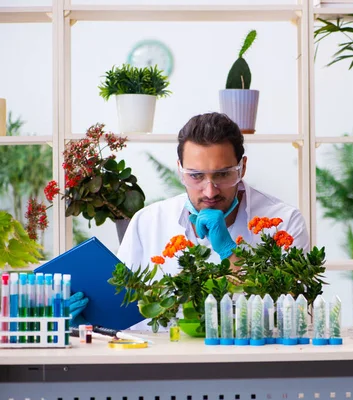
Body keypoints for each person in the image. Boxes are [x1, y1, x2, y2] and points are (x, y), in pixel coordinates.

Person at [68, 112, 310, 327]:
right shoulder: (147, 222)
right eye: (196, 176)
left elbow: (292, 316)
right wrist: (86, 323)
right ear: (180, 170)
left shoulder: (284, 222)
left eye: (223, 174)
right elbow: (121, 312)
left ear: (242, 168)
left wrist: (230, 252)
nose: (210, 191)